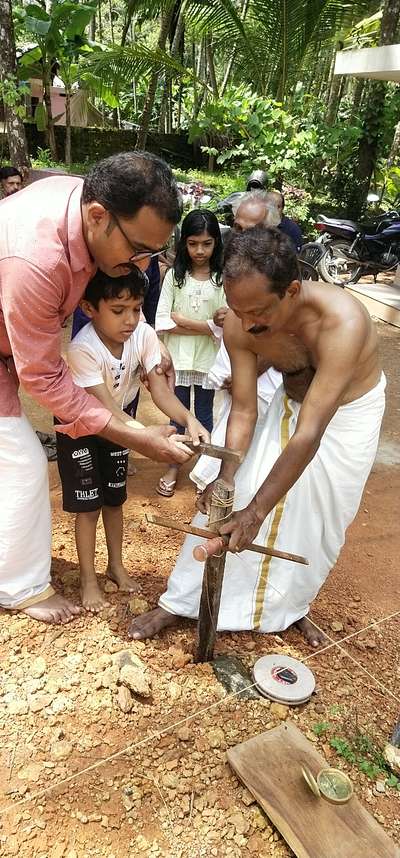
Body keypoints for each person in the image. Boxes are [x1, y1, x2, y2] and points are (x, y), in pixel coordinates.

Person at [129, 227, 385, 646]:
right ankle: (180, 602)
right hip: (291, 406)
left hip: (348, 418)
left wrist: (255, 513)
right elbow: (245, 409)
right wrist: (227, 476)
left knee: (317, 521)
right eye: (237, 309)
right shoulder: (239, 323)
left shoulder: (343, 322)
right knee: (235, 492)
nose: (247, 324)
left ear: (293, 292)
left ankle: (290, 609)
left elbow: (309, 434)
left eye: (259, 313)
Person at [0, 151, 196, 625]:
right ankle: (19, 587)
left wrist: (149, 339)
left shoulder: (88, 206)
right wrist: (135, 436)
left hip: (8, 348)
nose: (144, 266)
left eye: (153, 252)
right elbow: (43, 377)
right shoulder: (36, 258)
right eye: (137, 249)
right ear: (97, 216)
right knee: (24, 464)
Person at [57, 268, 208, 612]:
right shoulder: (82, 348)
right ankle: (88, 579)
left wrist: (188, 418)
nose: (130, 319)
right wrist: (147, 439)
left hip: (121, 425)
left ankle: (115, 565)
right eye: (118, 310)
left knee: (114, 499)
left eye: (137, 308)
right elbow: (106, 409)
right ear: (89, 308)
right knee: (88, 505)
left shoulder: (143, 335)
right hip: (80, 426)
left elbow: (160, 390)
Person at [155, 209, 226, 497]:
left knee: (206, 416)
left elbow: (223, 327)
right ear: (184, 242)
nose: (200, 250)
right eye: (193, 243)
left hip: (208, 361)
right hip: (178, 360)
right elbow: (161, 320)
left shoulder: (222, 279)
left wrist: (182, 321)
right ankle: (174, 464)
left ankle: (205, 472)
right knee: (178, 416)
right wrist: (206, 326)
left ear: (216, 243)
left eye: (207, 244)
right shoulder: (175, 276)